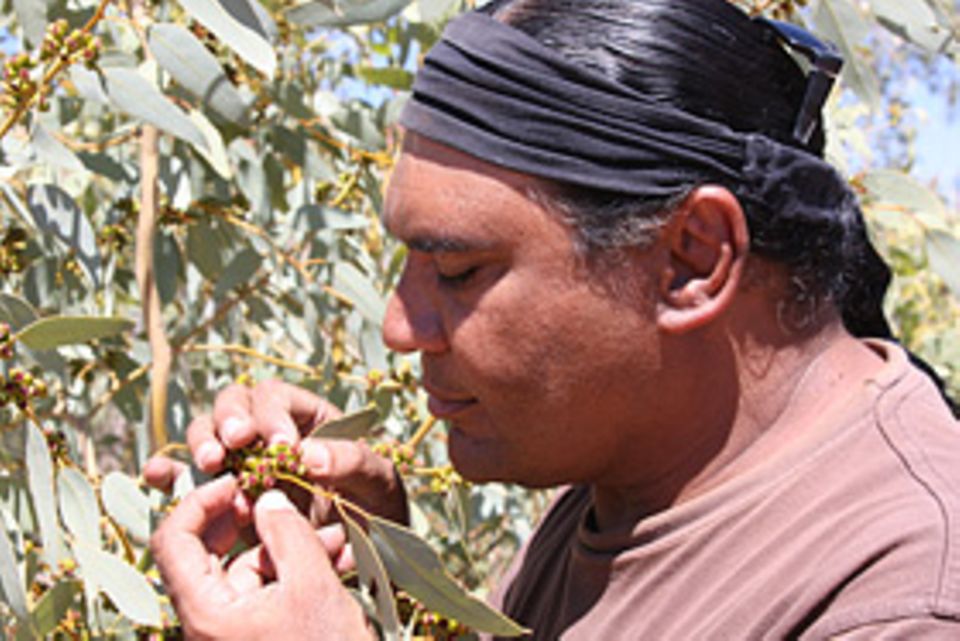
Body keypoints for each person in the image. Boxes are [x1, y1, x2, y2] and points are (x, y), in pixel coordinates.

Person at [147, 0, 960, 638]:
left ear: (693, 259)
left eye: (459, 269)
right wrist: (380, 571)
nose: (398, 326)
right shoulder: (643, 472)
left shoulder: (903, 595)